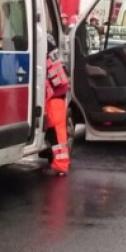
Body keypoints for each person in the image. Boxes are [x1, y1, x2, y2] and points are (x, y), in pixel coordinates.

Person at [44, 41, 71, 175]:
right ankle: (59, 163)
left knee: (55, 131)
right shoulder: (50, 47)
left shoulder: (45, 47)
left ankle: (61, 164)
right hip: (57, 94)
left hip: (55, 95)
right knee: (55, 131)